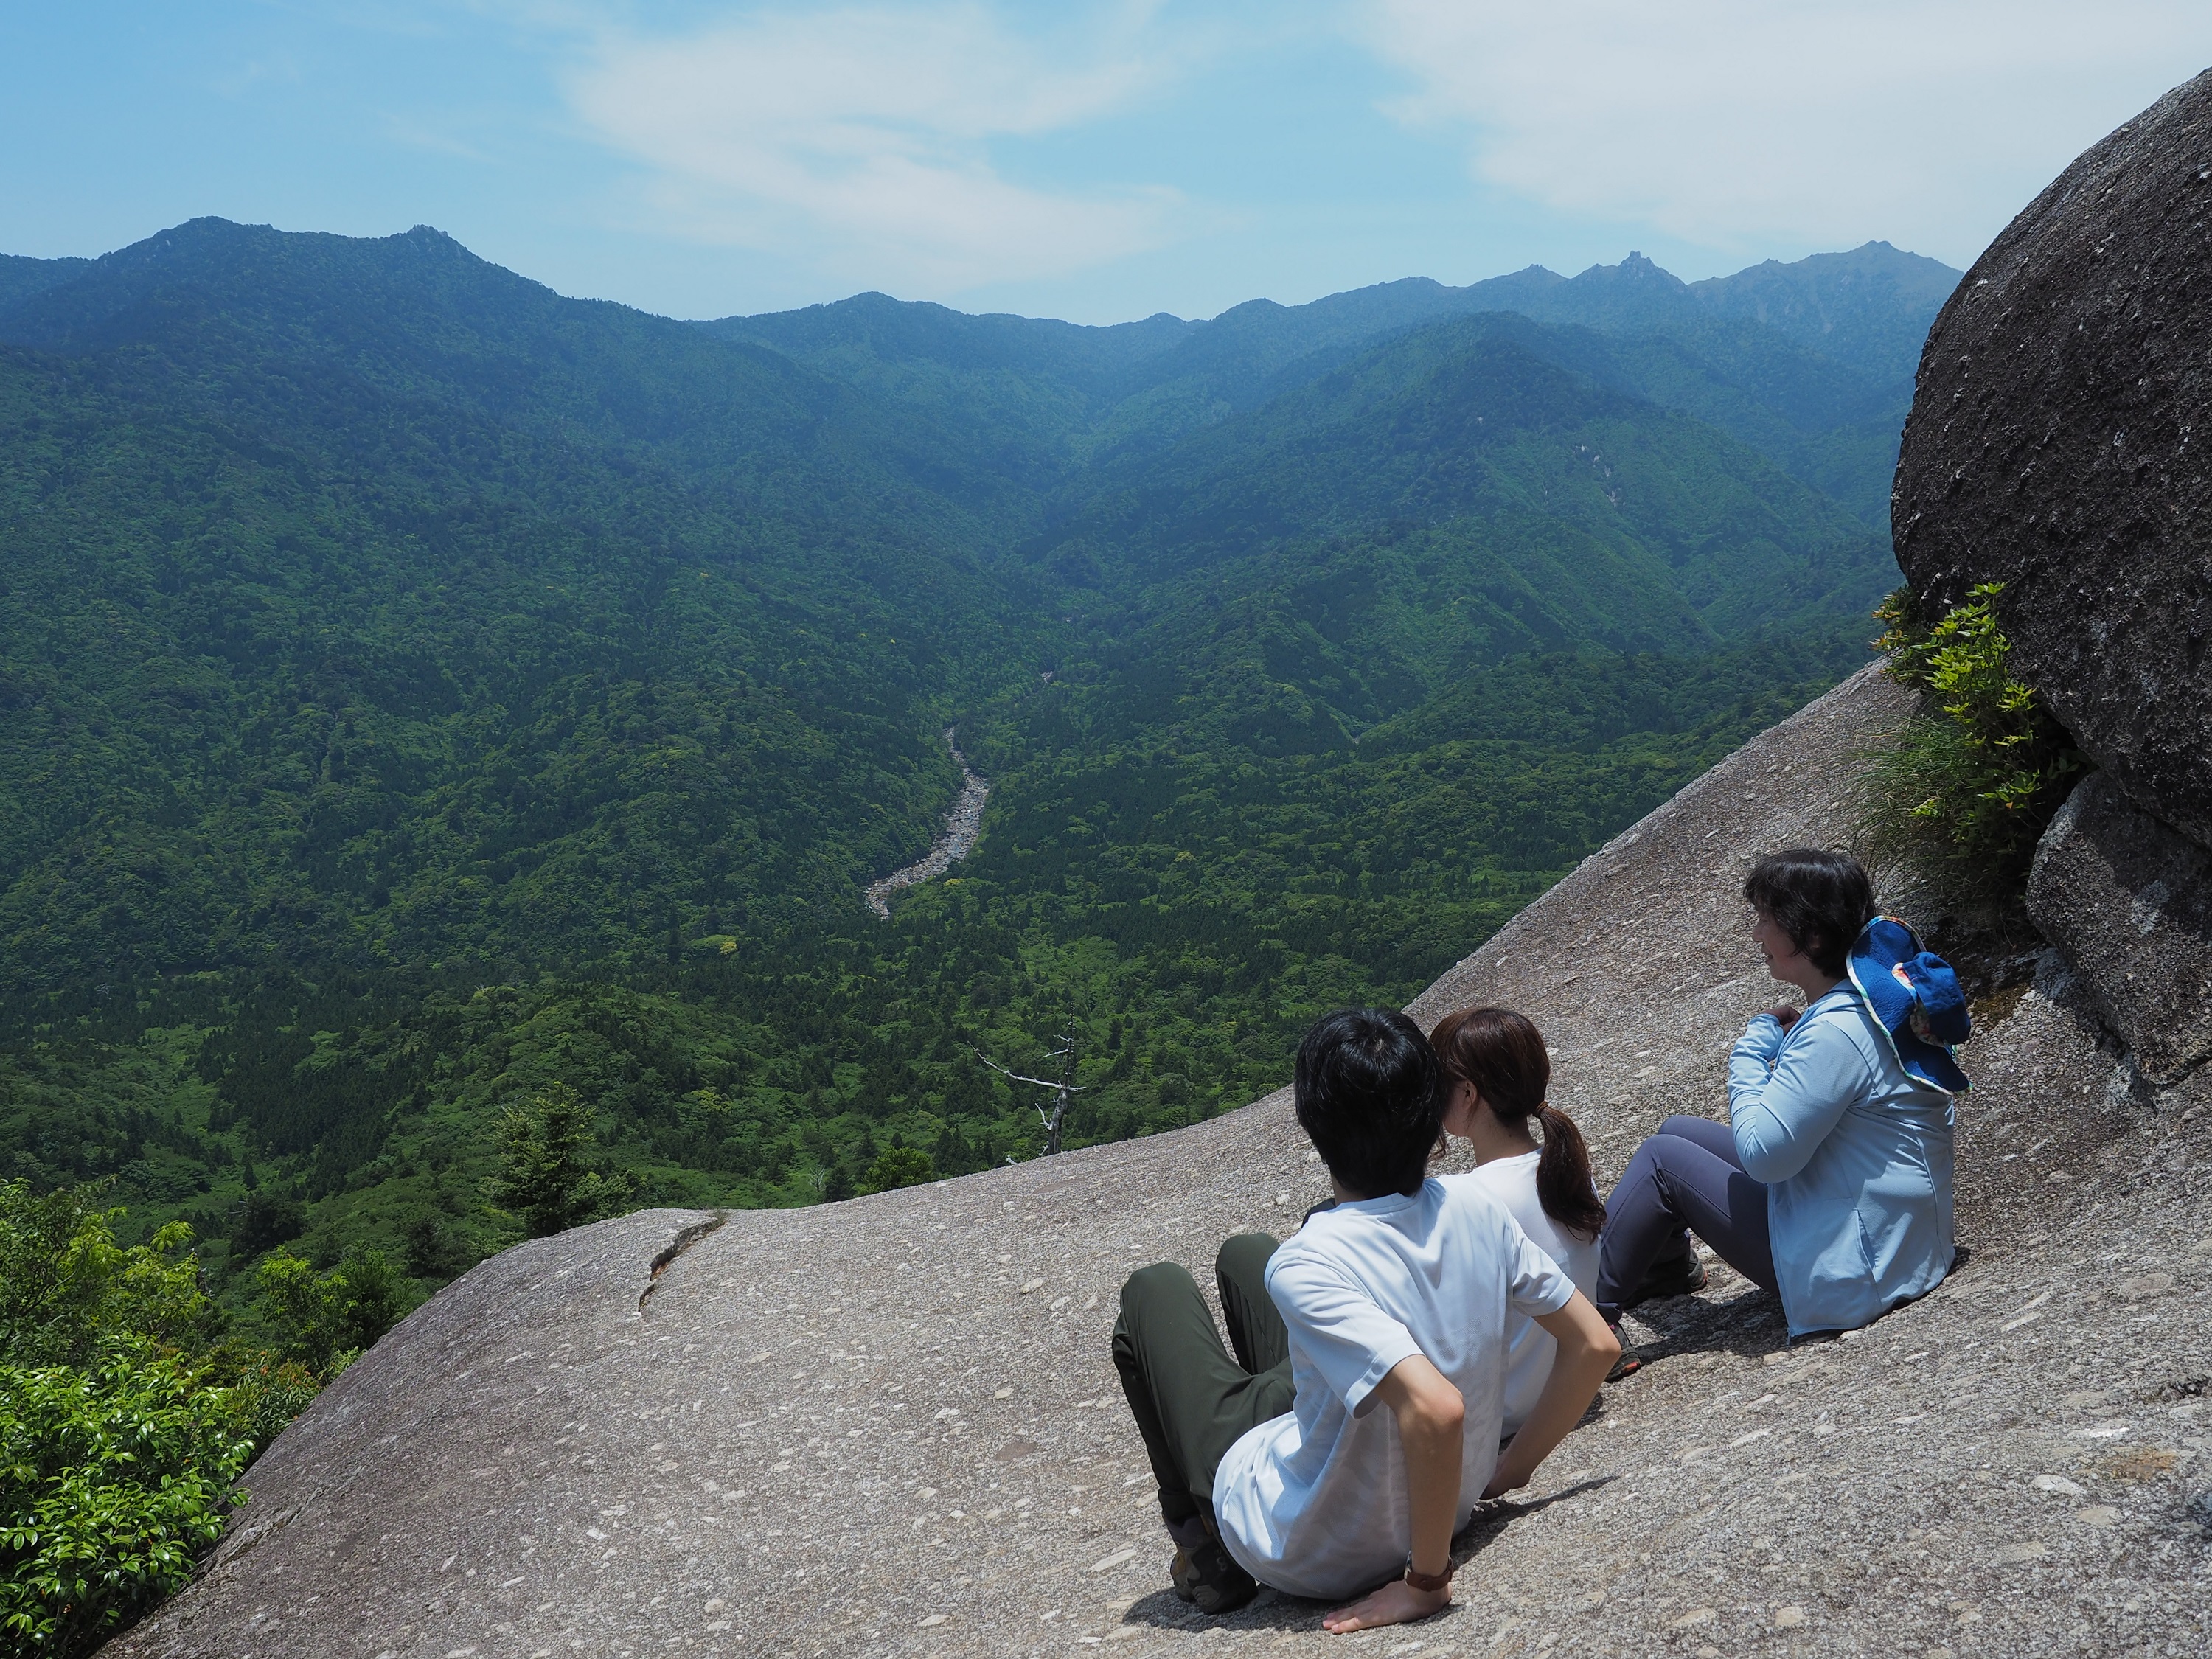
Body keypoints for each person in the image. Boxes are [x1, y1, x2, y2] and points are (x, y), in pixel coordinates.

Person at [1110, 1008, 1618, 1632]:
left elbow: (1436, 1409)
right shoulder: (1476, 1207)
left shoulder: (1310, 1260)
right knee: (1247, 1255)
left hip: (1321, 1551)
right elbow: (1595, 1344)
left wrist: (1425, 1585)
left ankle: (1207, 1549)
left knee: (1152, 1289)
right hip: (1445, 1507)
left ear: (1312, 1122)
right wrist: (1510, 1469)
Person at [1594, 847, 1963, 1347]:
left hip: (1854, 1271)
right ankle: (1659, 1271)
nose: (1756, 934)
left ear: (1810, 935)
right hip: (1898, 1243)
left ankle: (1587, 1318)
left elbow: (1765, 1157)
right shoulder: (1873, 1004)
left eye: (1765, 919)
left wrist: (1750, 1053)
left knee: (1662, 1162)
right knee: (1677, 1130)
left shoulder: (1835, 1033)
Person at [1432, 1007, 1610, 1427]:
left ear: (1468, 1094)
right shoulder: (1567, 1170)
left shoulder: (1471, 1197)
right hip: (1565, 1395)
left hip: (1500, 1414)